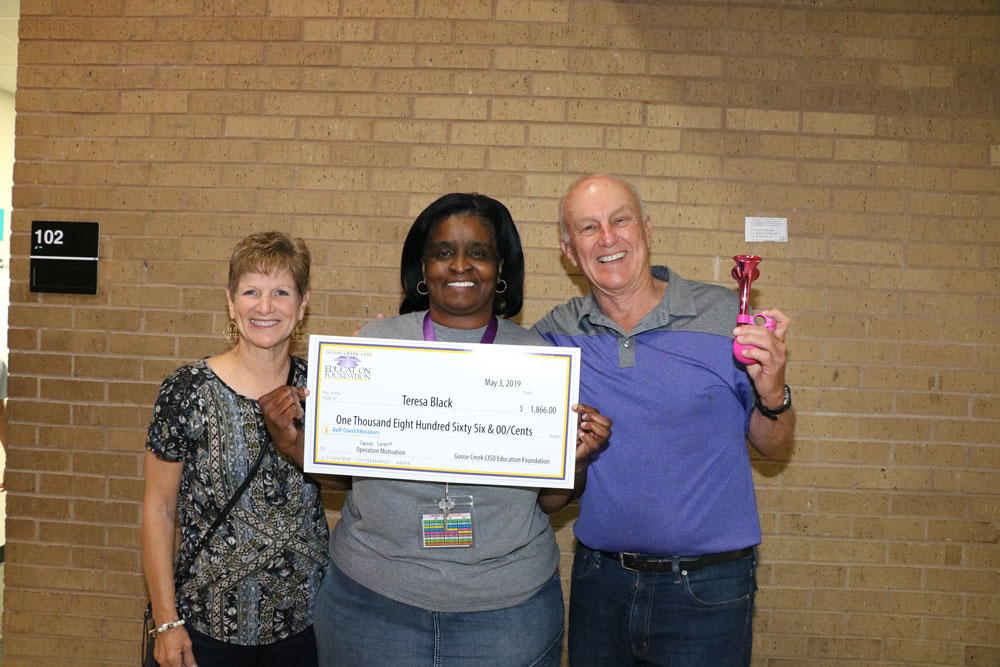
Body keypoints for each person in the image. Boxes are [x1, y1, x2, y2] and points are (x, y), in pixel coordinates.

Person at [259, 193, 611, 667]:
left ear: (500, 267)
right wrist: (293, 443)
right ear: (423, 268)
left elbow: (549, 502)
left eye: (478, 253)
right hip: (372, 605)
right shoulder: (375, 346)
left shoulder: (538, 361)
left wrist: (580, 460)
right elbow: (342, 479)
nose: (460, 265)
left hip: (506, 615)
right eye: (444, 252)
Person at [532, 174, 795, 667]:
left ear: (647, 229)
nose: (608, 238)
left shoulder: (723, 316)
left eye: (620, 220)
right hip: (600, 582)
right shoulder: (555, 334)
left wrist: (773, 390)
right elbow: (484, 369)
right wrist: (381, 359)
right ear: (569, 251)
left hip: (709, 589)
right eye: (588, 228)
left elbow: (774, 445)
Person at [142, 232, 330, 667]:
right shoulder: (185, 391)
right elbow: (159, 510)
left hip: (304, 628)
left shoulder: (324, 389)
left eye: (281, 292)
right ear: (231, 303)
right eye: (251, 292)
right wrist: (167, 623)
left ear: (302, 306)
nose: (265, 307)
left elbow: (352, 479)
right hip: (203, 630)